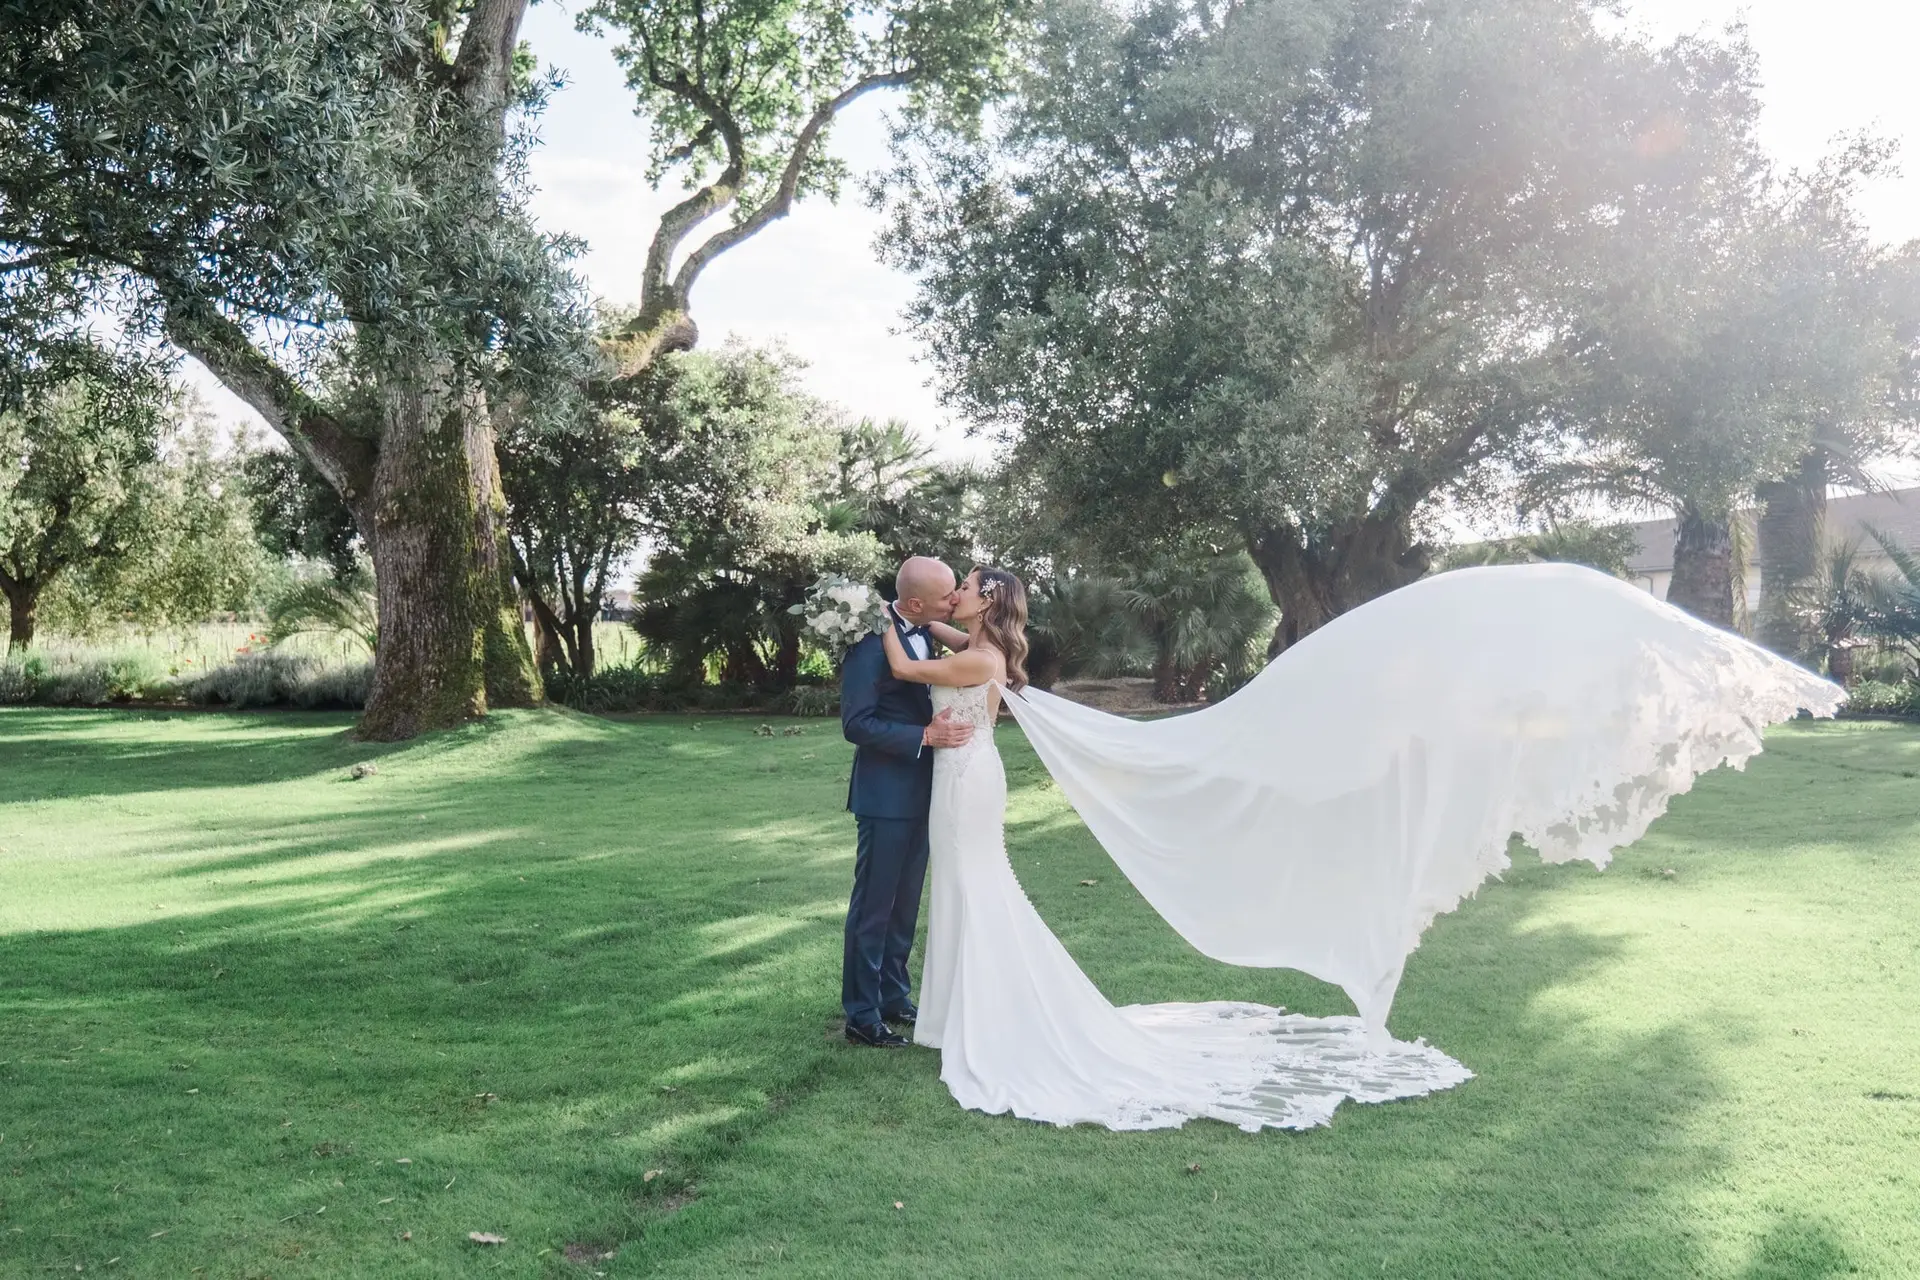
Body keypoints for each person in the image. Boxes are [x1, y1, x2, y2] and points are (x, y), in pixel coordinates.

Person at [876, 561, 1844, 1131]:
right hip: (963, 770)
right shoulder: (984, 648)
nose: (953, 592)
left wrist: (879, 619)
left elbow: (904, 667)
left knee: (976, 885)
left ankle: (990, 1021)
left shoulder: (977, 650)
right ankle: (952, 1015)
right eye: (949, 588)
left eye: (962, 588)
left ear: (983, 608)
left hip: (968, 777)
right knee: (970, 887)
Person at [837, 556, 974, 1048]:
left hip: (926, 794)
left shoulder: (923, 630)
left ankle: (895, 996)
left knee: (905, 907)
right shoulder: (869, 644)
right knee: (874, 907)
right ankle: (861, 1013)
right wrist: (924, 734)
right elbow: (857, 724)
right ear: (916, 603)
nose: (954, 599)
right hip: (885, 796)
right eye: (946, 596)